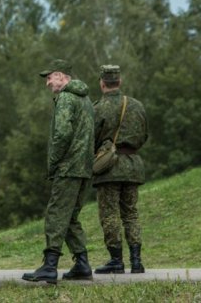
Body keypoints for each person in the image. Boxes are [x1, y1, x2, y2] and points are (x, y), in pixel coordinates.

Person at [23, 59, 94, 284]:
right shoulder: (86, 100)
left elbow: (62, 134)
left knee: (55, 214)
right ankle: (82, 264)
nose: (47, 83)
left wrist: (53, 162)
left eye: (50, 77)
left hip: (68, 167)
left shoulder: (65, 98)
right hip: (84, 168)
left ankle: (50, 266)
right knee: (70, 216)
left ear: (62, 76)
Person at [93, 65, 149, 274]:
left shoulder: (98, 108)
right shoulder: (137, 106)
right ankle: (136, 261)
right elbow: (144, 135)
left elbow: (91, 138)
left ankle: (116, 260)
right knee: (131, 214)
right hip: (133, 165)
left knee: (109, 214)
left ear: (102, 82)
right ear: (120, 81)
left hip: (109, 168)